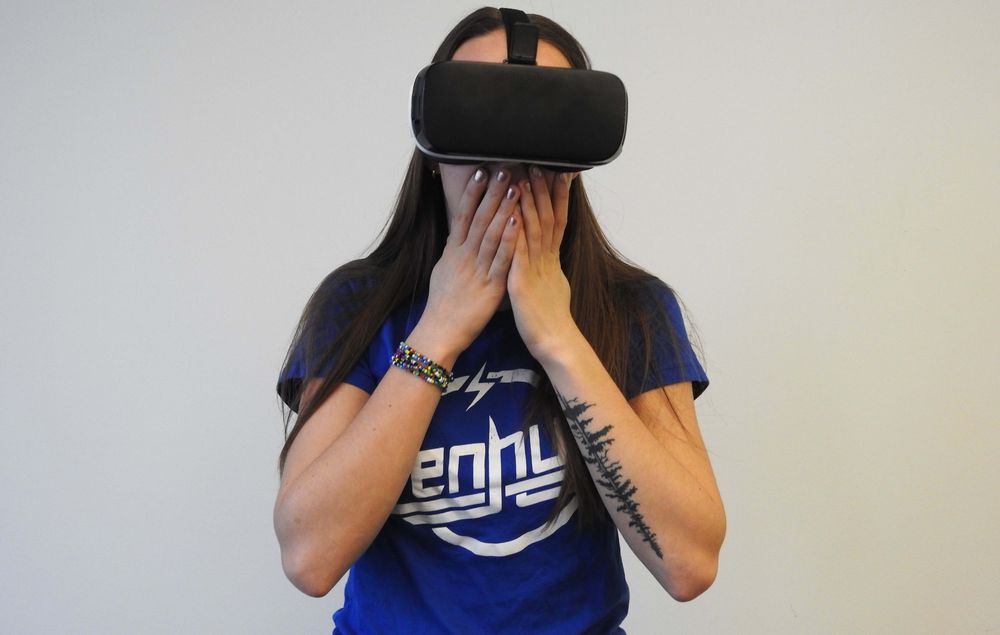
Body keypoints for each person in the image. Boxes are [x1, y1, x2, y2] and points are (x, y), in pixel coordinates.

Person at [273, 7, 726, 633]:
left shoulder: (630, 309)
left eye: (543, 130)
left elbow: (689, 563)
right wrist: (441, 328)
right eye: (479, 117)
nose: (508, 171)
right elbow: (309, 558)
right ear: (433, 151)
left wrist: (559, 337)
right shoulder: (356, 305)